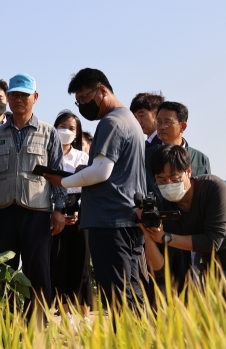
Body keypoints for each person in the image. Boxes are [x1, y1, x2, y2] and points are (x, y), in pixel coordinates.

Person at [43, 68, 146, 310]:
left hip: (110, 221)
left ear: (101, 91)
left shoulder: (111, 122)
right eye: (77, 101)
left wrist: (63, 181)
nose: (82, 106)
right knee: (131, 289)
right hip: (128, 219)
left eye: (84, 99)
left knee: (117, 294)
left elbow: (101, 171)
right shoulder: (130, 120)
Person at [0, 73, 67, 322]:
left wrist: (59, 209)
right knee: (2, 271)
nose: (18, 99)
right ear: (8, 99)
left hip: (37, 212)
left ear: (35, 98)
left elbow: (57, 174)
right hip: (2, 212)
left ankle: (37, 325)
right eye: (14, 95)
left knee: (37, 271)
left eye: (24, 95)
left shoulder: (49, 132)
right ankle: (5, 323)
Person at [141, 145, 226, 292]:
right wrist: (148, 234)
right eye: (161, 180)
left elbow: (212, 241)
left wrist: (165, 237)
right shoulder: (165, 207)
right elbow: (158, 270)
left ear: (188, 172)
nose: (168, 184)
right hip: (216, 273)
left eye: (174, 178)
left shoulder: (213, 188)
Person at [144, 101, 211, 289]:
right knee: (160, 288)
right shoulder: (145, 156)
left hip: (191, 235)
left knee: (193, 287)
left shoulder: (200, 158)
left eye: (168, 122)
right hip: (157, 231)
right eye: (158, 122)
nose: (161, 126)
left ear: (182, 126)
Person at [49, 110, 92, 325]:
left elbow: (90, 187)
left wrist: (78, 210)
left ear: (77, 134)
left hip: (80, 209)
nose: (66, 131)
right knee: (58, 261)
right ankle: (64, 312)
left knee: (81, 261)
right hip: (55, 207)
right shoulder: (48, 155)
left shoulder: (83, 157)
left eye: (71, 128)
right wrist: (56, 210)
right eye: (62, 126)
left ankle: (83, 313)